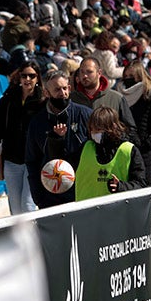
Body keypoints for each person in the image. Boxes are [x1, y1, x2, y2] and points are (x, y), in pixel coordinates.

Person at [26, 69, 92, 209]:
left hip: (82, 193)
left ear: (69, 88)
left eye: (64, 88)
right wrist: (38, 197)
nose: (62, 93)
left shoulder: (85, 115)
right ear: (46, 93)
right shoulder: (37, 122)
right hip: (51, 198)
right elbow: (32, 161)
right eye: (57, 90)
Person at [0, 61, 44, 215]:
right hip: (12, 159)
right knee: (15, 206)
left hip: (33, 160)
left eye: (32, 76)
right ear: (19, 77)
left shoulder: (43, 101)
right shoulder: (8, 99)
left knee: (28, 205)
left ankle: (32, 238)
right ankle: (19, 238)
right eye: (24, 75)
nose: (28, 79)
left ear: (38, 78)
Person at [74, 106, 147, 201]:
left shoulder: (128, 150)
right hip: (86, 210)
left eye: (98, 130)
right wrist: (57, 140)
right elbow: (67, 167)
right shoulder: (86, 147)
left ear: (112, 127)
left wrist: (120, 186)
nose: (93, 133)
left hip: (116, 211)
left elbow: (141, 185)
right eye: (92, 129)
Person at [118, 62, 151, 185]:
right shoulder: (119, 97)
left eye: (132, 76)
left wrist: (148, 142)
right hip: (126, 151)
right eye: (126, 75)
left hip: (147, 154)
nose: (128, 79)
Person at [71, 57, 137, 141]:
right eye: (82, 72)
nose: (85, 76)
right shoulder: (71, 99)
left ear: (99, 73)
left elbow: (130, 129)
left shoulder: (116, 98)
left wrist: (115, 140)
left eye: (89, 72)